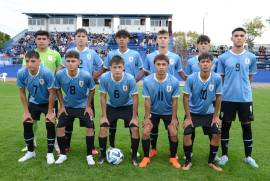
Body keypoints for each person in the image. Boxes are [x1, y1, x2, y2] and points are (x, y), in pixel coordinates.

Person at [139, 29, 187, 158]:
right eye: (160, 38)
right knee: (152, 128)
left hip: (169, 96)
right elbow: (144, 72)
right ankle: (153, 149)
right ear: (156, 40)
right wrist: (134, 81)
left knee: (171, 127)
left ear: (168, 40)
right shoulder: (149, 56)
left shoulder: (175, 57)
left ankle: (173, 153)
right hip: (155, 94)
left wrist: (191, 82)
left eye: (165, 38)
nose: (162, 40)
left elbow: (181, 73)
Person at [217, 27, 258, 168]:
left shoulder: (251, 57)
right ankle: (224, 155)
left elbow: (250, 77)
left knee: (246, 127)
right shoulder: (223, 58)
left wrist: (243, 89)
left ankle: (248, 157)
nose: (239, 38)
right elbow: (221, 78)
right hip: (227, 98)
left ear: (245, 38)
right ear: (231, 38)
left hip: (245, 99)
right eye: (236, 35)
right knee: (225, 126)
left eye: (241, 35)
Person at [62, 28, 102, 154]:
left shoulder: (92, 53)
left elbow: (102, 66)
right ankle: (66, 145)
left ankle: (92, 147)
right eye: (78, 36)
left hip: (86, 94)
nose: (80, 38)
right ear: (74, 38)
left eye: (83, 36)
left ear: (87, 39)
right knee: (68, 121)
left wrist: (94, 76)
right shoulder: (69, 51)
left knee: (89, 119)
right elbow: (63, 67)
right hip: (71, 92)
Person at [21, 30, 61, 152]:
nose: (41, 41)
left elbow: (58, 72)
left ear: (49, 40)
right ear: (35, 40)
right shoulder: (30, 54)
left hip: (50, 93)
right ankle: (32, 142)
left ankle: (55, 143)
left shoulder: (55, 54)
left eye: (44, 38)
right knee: (32, 119)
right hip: (34, 92)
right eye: (39, 38)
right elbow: (24, 70)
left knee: (52, 119)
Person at [103, 29, 143, 151]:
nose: (121, 39)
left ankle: (133, 149)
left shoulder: (135, 54)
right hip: (114, 96)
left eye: (124, 37)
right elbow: (105, 69)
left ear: (128, 39)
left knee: (132, 125)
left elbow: (142, 69)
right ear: (116, 39)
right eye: (119, 37)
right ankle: (111, 146)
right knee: (111, 126)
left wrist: (133, 81)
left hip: (128, 96)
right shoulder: (111, 54)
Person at [182, 53, 222, 171]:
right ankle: (188, 160)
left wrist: (216, 117)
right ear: (198, 64)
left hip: (209, 113)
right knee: (187, 133)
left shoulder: (216, 78)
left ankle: (212, 161)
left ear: (212, 64)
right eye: (203, 62)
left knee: (216, 134)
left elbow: (219, 97)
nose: (205, 64)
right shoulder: (191, 78)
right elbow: (185, 98)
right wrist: (188, 118)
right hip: (193, 113)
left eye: (208, 61)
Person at [54, 50, 95, 165]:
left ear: (79, 62)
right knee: (60, 127)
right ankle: (62, 154)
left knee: (90, 128)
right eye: (68, 61)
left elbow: (92, 90)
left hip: (82, 106)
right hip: (67, 106)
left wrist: (88, 106)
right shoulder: (60, 74)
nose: (71, 63)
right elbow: (57, 89)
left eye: (73, 61)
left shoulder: (85, 75)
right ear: (65, 62)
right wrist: (61, 106)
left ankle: (89, 155)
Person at [139, 54, 181, 168]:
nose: (161, 67)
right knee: (145, 132)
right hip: (153, 112)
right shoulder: (147, 81)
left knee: (174, 133)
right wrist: (147, 118)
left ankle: (173, 158)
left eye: (164, 64)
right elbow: (147, 101)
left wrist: (173, 119)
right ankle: (146, 157)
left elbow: (175, 101)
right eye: (158, 64)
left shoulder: (174, 81)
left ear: (168, 66)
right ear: (154, 65)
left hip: (168, 113)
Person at [98, 55, 140, 166]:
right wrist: (103, 115)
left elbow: (135, 98)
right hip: (111, 106)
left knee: (135, 129)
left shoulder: (130, 79)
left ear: (123, 68)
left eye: (119, 67)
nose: (117, 70)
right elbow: (103, 96)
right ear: (110, 68)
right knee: (103, 128)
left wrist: (135, 117)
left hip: (127, 106)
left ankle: (134, 155)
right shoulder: (104, 78)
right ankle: (102, 155)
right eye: (114, 67)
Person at [17, 50, 56, 164]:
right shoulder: (21, 73)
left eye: (33, 61)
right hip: (34, 102)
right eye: (27, 61)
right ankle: (30, 152)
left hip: (48, 102)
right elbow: (22, 93)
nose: (30, 64)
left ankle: (49, 153)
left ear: (39, 61)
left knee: (50, 123)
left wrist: (49, 112)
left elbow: (52, 93)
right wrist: (26, 111)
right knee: (27, 122)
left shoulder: (46, 73)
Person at [185, 35, 218, 157]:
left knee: (212, 128)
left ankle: (214, 154)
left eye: (206, 43)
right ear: (197, 45)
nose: (203, 45)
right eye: (201, 43)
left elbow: (218, 79)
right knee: (190, 128)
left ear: (209, 45)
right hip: (194, 100)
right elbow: (187, 78)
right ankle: (190, 152)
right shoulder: (190, 61)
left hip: (210, 99)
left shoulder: (216, 61)